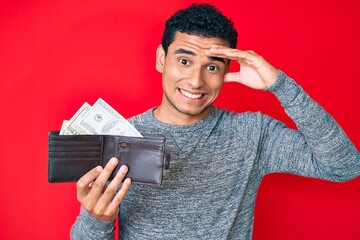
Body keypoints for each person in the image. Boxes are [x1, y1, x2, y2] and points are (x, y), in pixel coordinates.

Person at [70, 3, 360, 239]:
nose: (196, 81)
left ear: (227, 71)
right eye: (184, 61)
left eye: (211, 67)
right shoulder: (120, 137)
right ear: (162, 59)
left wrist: (280, 85)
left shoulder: (253, 133)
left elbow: (345, 166)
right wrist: (97, 220)